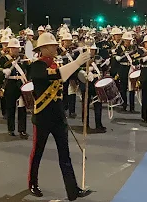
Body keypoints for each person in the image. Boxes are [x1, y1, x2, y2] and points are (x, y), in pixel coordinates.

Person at [28, 32, 92, 201]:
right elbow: (56, 75)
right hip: (42, 117)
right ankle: (33, 183)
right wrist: (77, 62)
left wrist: (82, 74)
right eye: (53, 45)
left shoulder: (57, 64)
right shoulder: (36, 66)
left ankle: (73, 190)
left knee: (65, 155)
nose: (56, 47)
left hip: (58, 117)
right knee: (37, 153)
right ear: (43, 48)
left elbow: (68, 74)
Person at [0, 38, 29, 139]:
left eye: (17, 48)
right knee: (10, 108)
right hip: (10, 84)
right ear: (9, 49)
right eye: (13, 48)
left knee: (22, 108)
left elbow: (28, 70)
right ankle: (11, 129)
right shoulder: (4, 59)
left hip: (21, 84)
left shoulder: (23, 58)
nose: (16, 50)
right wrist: (3, 72)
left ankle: (22, 130)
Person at [79, 44, 107, 133]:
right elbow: (79, 70)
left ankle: (98, 124)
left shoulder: (98, 57)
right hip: (86, 82)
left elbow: (103, 68)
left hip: (96, 82)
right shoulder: (82, 58)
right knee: (85, 104)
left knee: (98, 104)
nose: (92, 52)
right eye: (91, 50)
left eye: (94, 50)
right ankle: (85, 124)